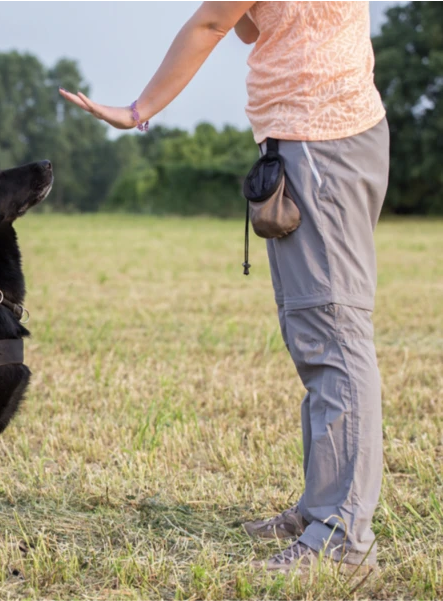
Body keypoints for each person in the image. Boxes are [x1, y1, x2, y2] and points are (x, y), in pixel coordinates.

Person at [61, 0, 388, 574]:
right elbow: (248, 23)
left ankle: (343, 536)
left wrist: (140, 109)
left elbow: (212, 23)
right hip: (319, 137)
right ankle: (322, 508)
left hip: (319, 143)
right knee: (316, 335)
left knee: (334, 338)